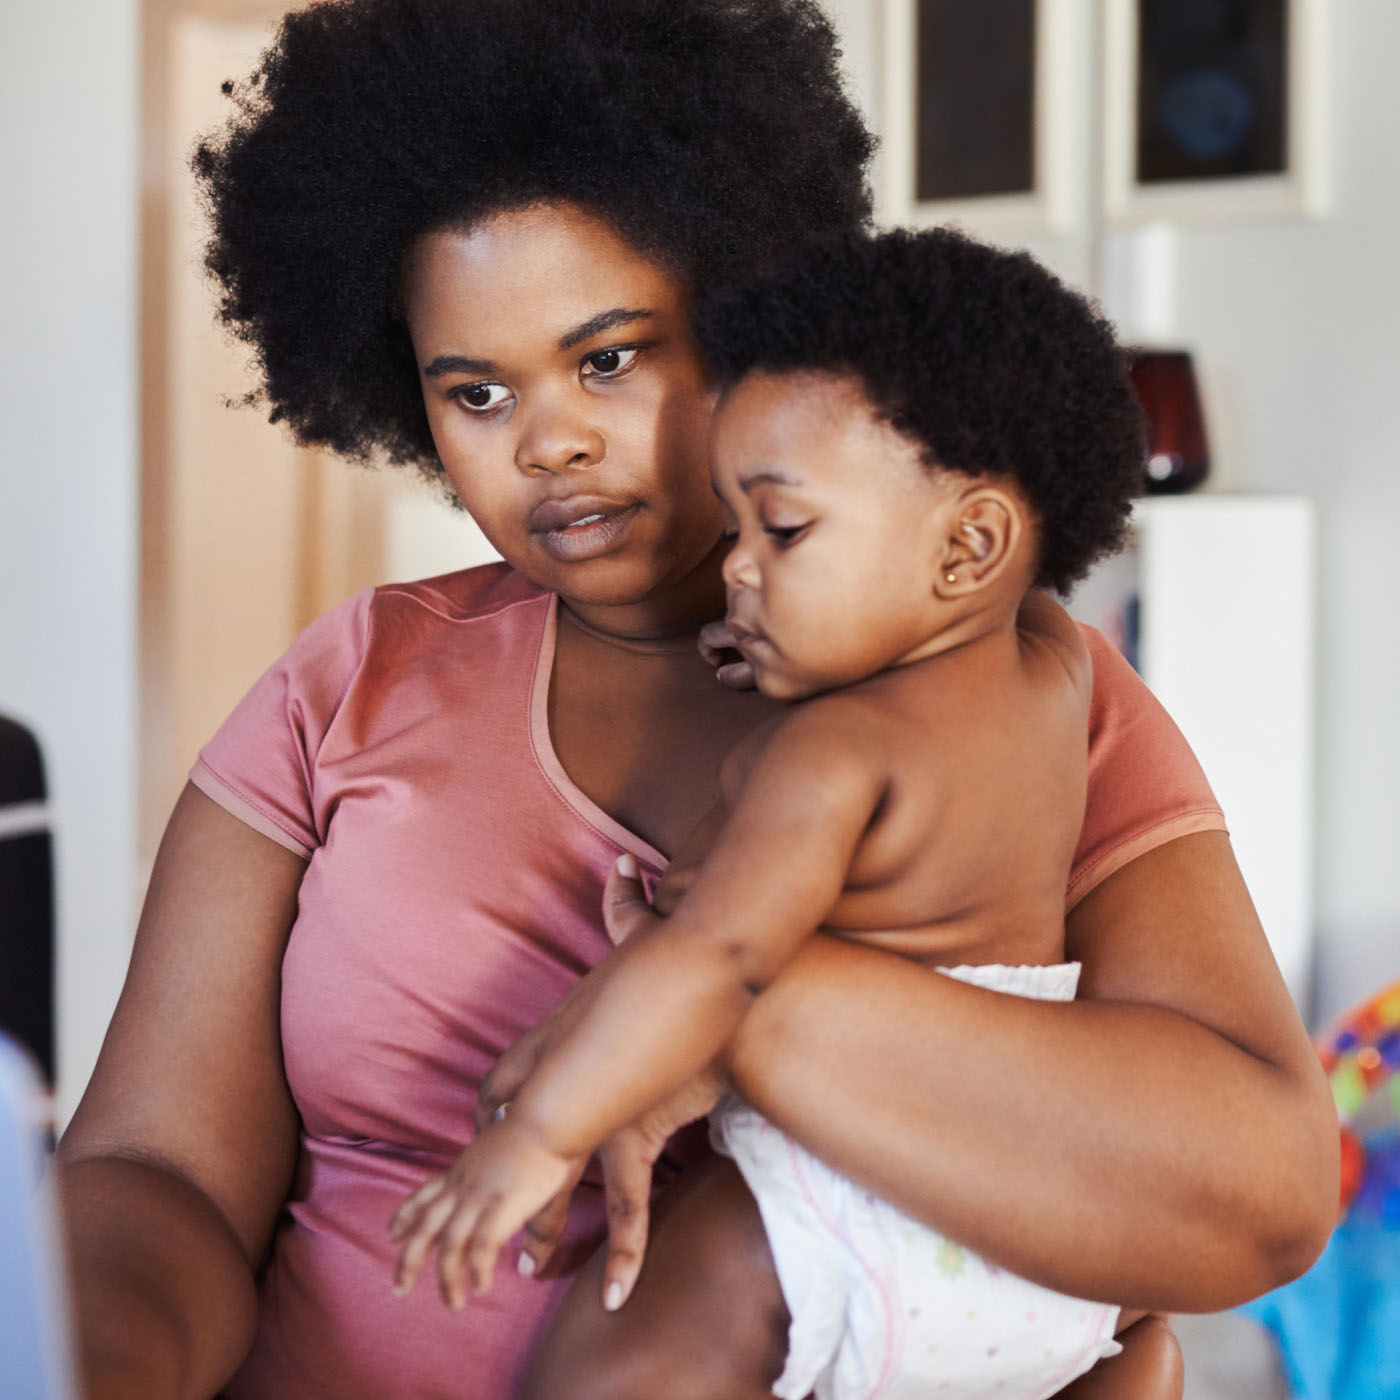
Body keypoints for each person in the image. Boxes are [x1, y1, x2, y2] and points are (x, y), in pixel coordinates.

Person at [51, 2, 1337, 1398]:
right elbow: (154, 1169)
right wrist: (85, 1360)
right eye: (476, 393)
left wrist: (738, 1007)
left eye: (612, 357)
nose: (550, 443)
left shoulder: (1015, 696)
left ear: (742, 321)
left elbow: (1259, 1195)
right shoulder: (349, 683)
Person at [388, 224, 1153, 1400]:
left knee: (599, 1373)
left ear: (970, 544)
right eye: (735, 525)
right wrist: (810, 631)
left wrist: (539, 1133)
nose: (738, 569)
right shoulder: (1054, 674)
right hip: (1050, 1233)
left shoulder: (831, 753)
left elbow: (723, 954)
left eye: (781, 530)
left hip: (850, 1201)